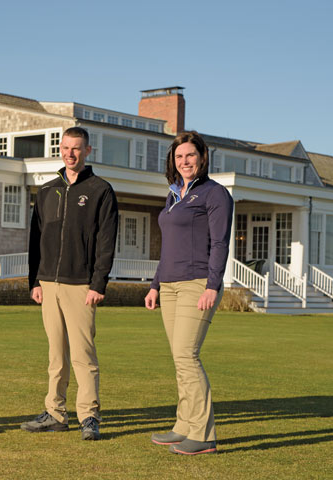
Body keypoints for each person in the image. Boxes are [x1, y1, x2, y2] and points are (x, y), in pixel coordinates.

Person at [21, 126, 118, 441]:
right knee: (55, 354)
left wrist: (98, 283)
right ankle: (55, 412)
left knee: (83, 355)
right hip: (49, 284)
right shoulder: (48, 190)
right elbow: (36, 240)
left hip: (81, 285)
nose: (70, 154)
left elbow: (106, 242)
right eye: (65, 148)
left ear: (88, 151)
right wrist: (34, 280)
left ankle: (89, 416)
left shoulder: (101, 190)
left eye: (76, 148)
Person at [144, 130, 233, 455]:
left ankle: (203, 435)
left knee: (187, 355)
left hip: (197, 283)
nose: (185, 161)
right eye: (179, 156)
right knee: (179, 359)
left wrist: (212, 284)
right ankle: (183, 426)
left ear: (202, 158)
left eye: (190, 156)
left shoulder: (215, 194)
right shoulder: (173, 194)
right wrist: (155, 285)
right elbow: (168, 247)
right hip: (168, 286)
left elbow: (220, 243)